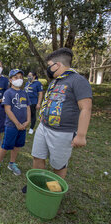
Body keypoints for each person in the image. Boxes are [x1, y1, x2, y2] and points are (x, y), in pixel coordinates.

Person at [30, 47, 92, 183]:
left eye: (49, 66)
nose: (48, 69)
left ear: (57, 65)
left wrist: (81, 135)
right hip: (44, 127)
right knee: (37, 157)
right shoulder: (56, 81)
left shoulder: (78, 80)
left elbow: (86, 108)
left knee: (58, 165)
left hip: (63, 133)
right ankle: (37, 185)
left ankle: (52, 192)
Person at [0, 69, 31, 176]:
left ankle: (12, 163)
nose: (19, 79)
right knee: (6, 145)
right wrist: (17, 124)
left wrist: (28, 120)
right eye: (15, 77)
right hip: (12, 126)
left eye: (20, 77)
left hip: (23, 126)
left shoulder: (24, 93)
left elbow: (28, 107)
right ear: (10, 80)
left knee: (17, 145)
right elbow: (7, 109)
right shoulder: (8, 93)